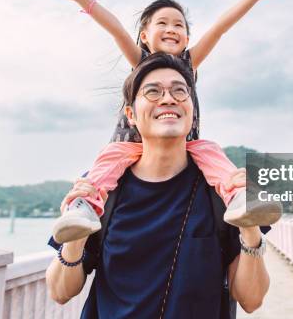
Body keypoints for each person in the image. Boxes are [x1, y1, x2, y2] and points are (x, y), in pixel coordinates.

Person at [45, 0, 284, 243]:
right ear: (145, 36)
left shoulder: (188, 64)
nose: (171, 28)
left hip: (182, 145)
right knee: (105, 164)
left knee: (211, 152)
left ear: (186, 38)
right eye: (162, 23)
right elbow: (118, 31)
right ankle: (83, 207)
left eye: (179, 25)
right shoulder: (142, 63)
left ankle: (239, 197)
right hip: (132, 145)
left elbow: (219, 29)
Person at [46, 53, 271, 318]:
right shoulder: (102, 189)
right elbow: (60, 292)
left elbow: (251, 300)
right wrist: (76, 241)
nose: (168, 98)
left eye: (180, 91)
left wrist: (251, 230)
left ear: (191, 109)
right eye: (153, 92)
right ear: (131, 114)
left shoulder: (219, 189)